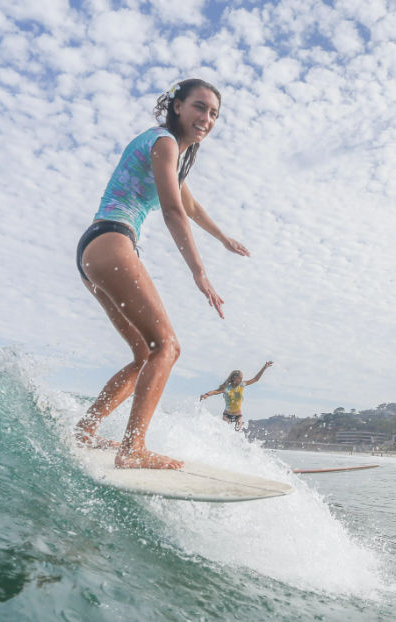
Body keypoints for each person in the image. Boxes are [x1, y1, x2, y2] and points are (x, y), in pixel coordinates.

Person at [73, 78, 250, 469]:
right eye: (200, 107)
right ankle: (132, 448)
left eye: (214, 113)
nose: (207, 118)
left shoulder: (170, 156)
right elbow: (172, 210)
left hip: (95, 249)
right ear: (177, 106)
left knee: (143, 354)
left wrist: (223, 238)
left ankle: (86, 429)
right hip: (112, 241)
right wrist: (199, 273)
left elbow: (190, 205)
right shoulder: (164, 142)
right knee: (167, 347)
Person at [200, 361, 273, 430]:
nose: (241, 380)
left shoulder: (242, 385)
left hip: (238, 415)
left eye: (242, 378)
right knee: (225, 433)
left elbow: (255, 379)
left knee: (238, 431)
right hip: (227, 415)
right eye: (240, 379)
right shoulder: (226, 388)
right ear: (234, 378)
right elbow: (215, 391)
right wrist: (206, 395)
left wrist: (264, 368)